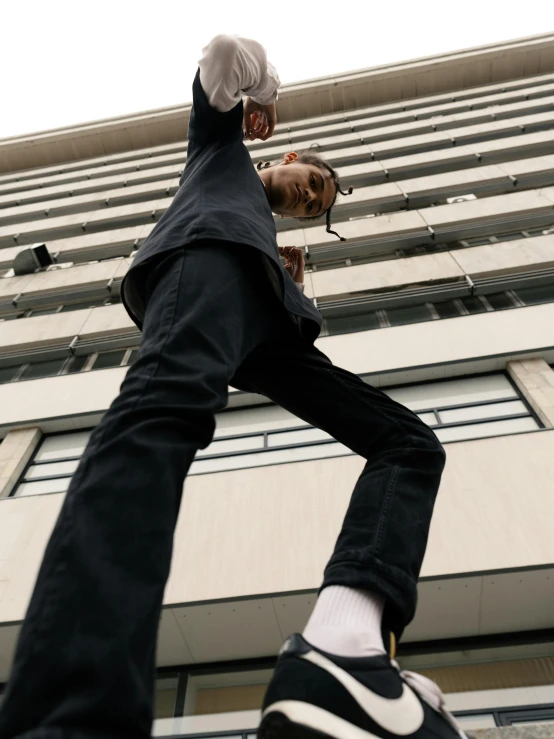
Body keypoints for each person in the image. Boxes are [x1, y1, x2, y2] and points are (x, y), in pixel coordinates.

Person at [0, 34, 467, 739]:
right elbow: (224, 52)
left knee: (409, 445)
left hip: (264, 330)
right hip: (206, 267)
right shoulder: (221, 153)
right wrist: (268, 94)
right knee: (161, 418)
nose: (309, 197)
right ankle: (73, 712)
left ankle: (345, 642)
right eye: (311, 183)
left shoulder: (271, 248)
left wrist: (280, 279)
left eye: (314, 205)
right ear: (286, 158)